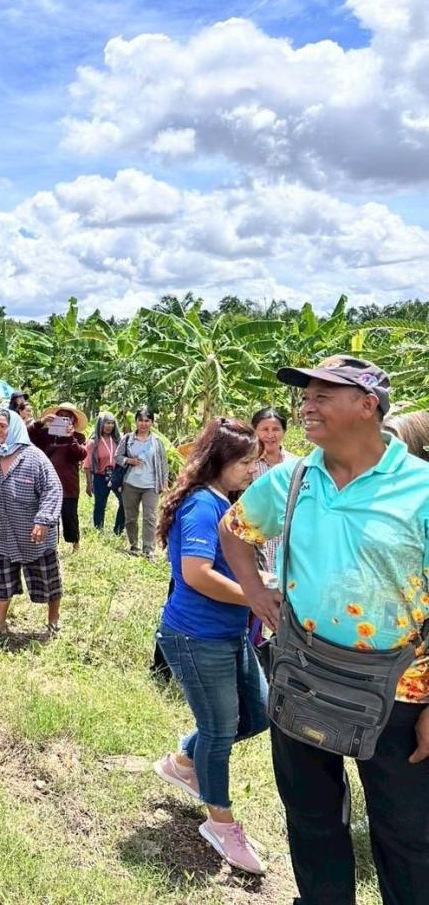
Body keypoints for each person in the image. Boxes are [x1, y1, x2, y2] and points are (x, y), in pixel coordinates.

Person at [220, 356, 429, 905]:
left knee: (407, 836)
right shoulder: (292, 478)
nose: (306, 406)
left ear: (368, 406)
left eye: (323, 395)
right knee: (312, 821)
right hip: (302, 674)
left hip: (401, 692)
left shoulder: (421, 489)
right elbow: (234, 530)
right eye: (304, 395)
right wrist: (256, 592)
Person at [152, 417, 268, 875]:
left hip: (228, 633)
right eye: (244, 462)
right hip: (196, 636)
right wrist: (257, 597)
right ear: (220, 462)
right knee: (219, 730)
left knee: (257, 713)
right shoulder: (202, 505)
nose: (251, 471)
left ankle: (184, 760)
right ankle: (220, 822)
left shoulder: (224, 502)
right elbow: (197, 575)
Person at [0, 411, 64, 640]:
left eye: (3, 426)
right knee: (0, 581)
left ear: (16, 429)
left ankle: (53, 622)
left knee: (48, 581)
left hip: (35, 537)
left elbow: (53, 490)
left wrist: (43, 521)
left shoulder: (35, 458)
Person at [246, 407, 298, 649]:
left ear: (284, 432)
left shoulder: (297, 466)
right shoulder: (249, 465)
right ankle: (254, 647)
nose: (270, 434)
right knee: (255, 599)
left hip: (287, 543)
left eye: (275, 429)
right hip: (255, 542)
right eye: (264, 429)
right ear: (255, 431)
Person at [31, 403, 89, 552]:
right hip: (47, 482)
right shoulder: (45, 435)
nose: (64, 418)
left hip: (69, 483)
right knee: (47, 514)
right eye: (61, 415)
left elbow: (81, 454)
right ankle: (49, 546)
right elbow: (27, 436)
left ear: (73, 421)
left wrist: (71, 438)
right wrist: (41, 422)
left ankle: (75, 544)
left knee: (70, 515)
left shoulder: (78, 437)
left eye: (68, 416)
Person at [117, 408, 169, 560]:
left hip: (151, 485)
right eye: (141, 420)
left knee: (150, 517)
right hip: (130, 483)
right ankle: (133, 545)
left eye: (147, 420)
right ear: (136, 422)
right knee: (131, 517)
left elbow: (163, 464)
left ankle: (148, 549)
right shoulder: (127, 439)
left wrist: (164, 483)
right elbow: (117, 457)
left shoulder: (157, 442)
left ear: (152, 422)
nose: (144, 424)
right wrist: (129, 460)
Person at [84, 412, 125, 535]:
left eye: (112, 423)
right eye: (107, 423)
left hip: (116, 476)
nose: (109, 426)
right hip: (100, 476)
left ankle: (118, 530)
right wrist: (89, 483)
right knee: (100, 505)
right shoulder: (93, 443)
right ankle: (98, 531)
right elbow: (87, 465)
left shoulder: (118, 440)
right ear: (101, 424)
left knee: (124, 502)